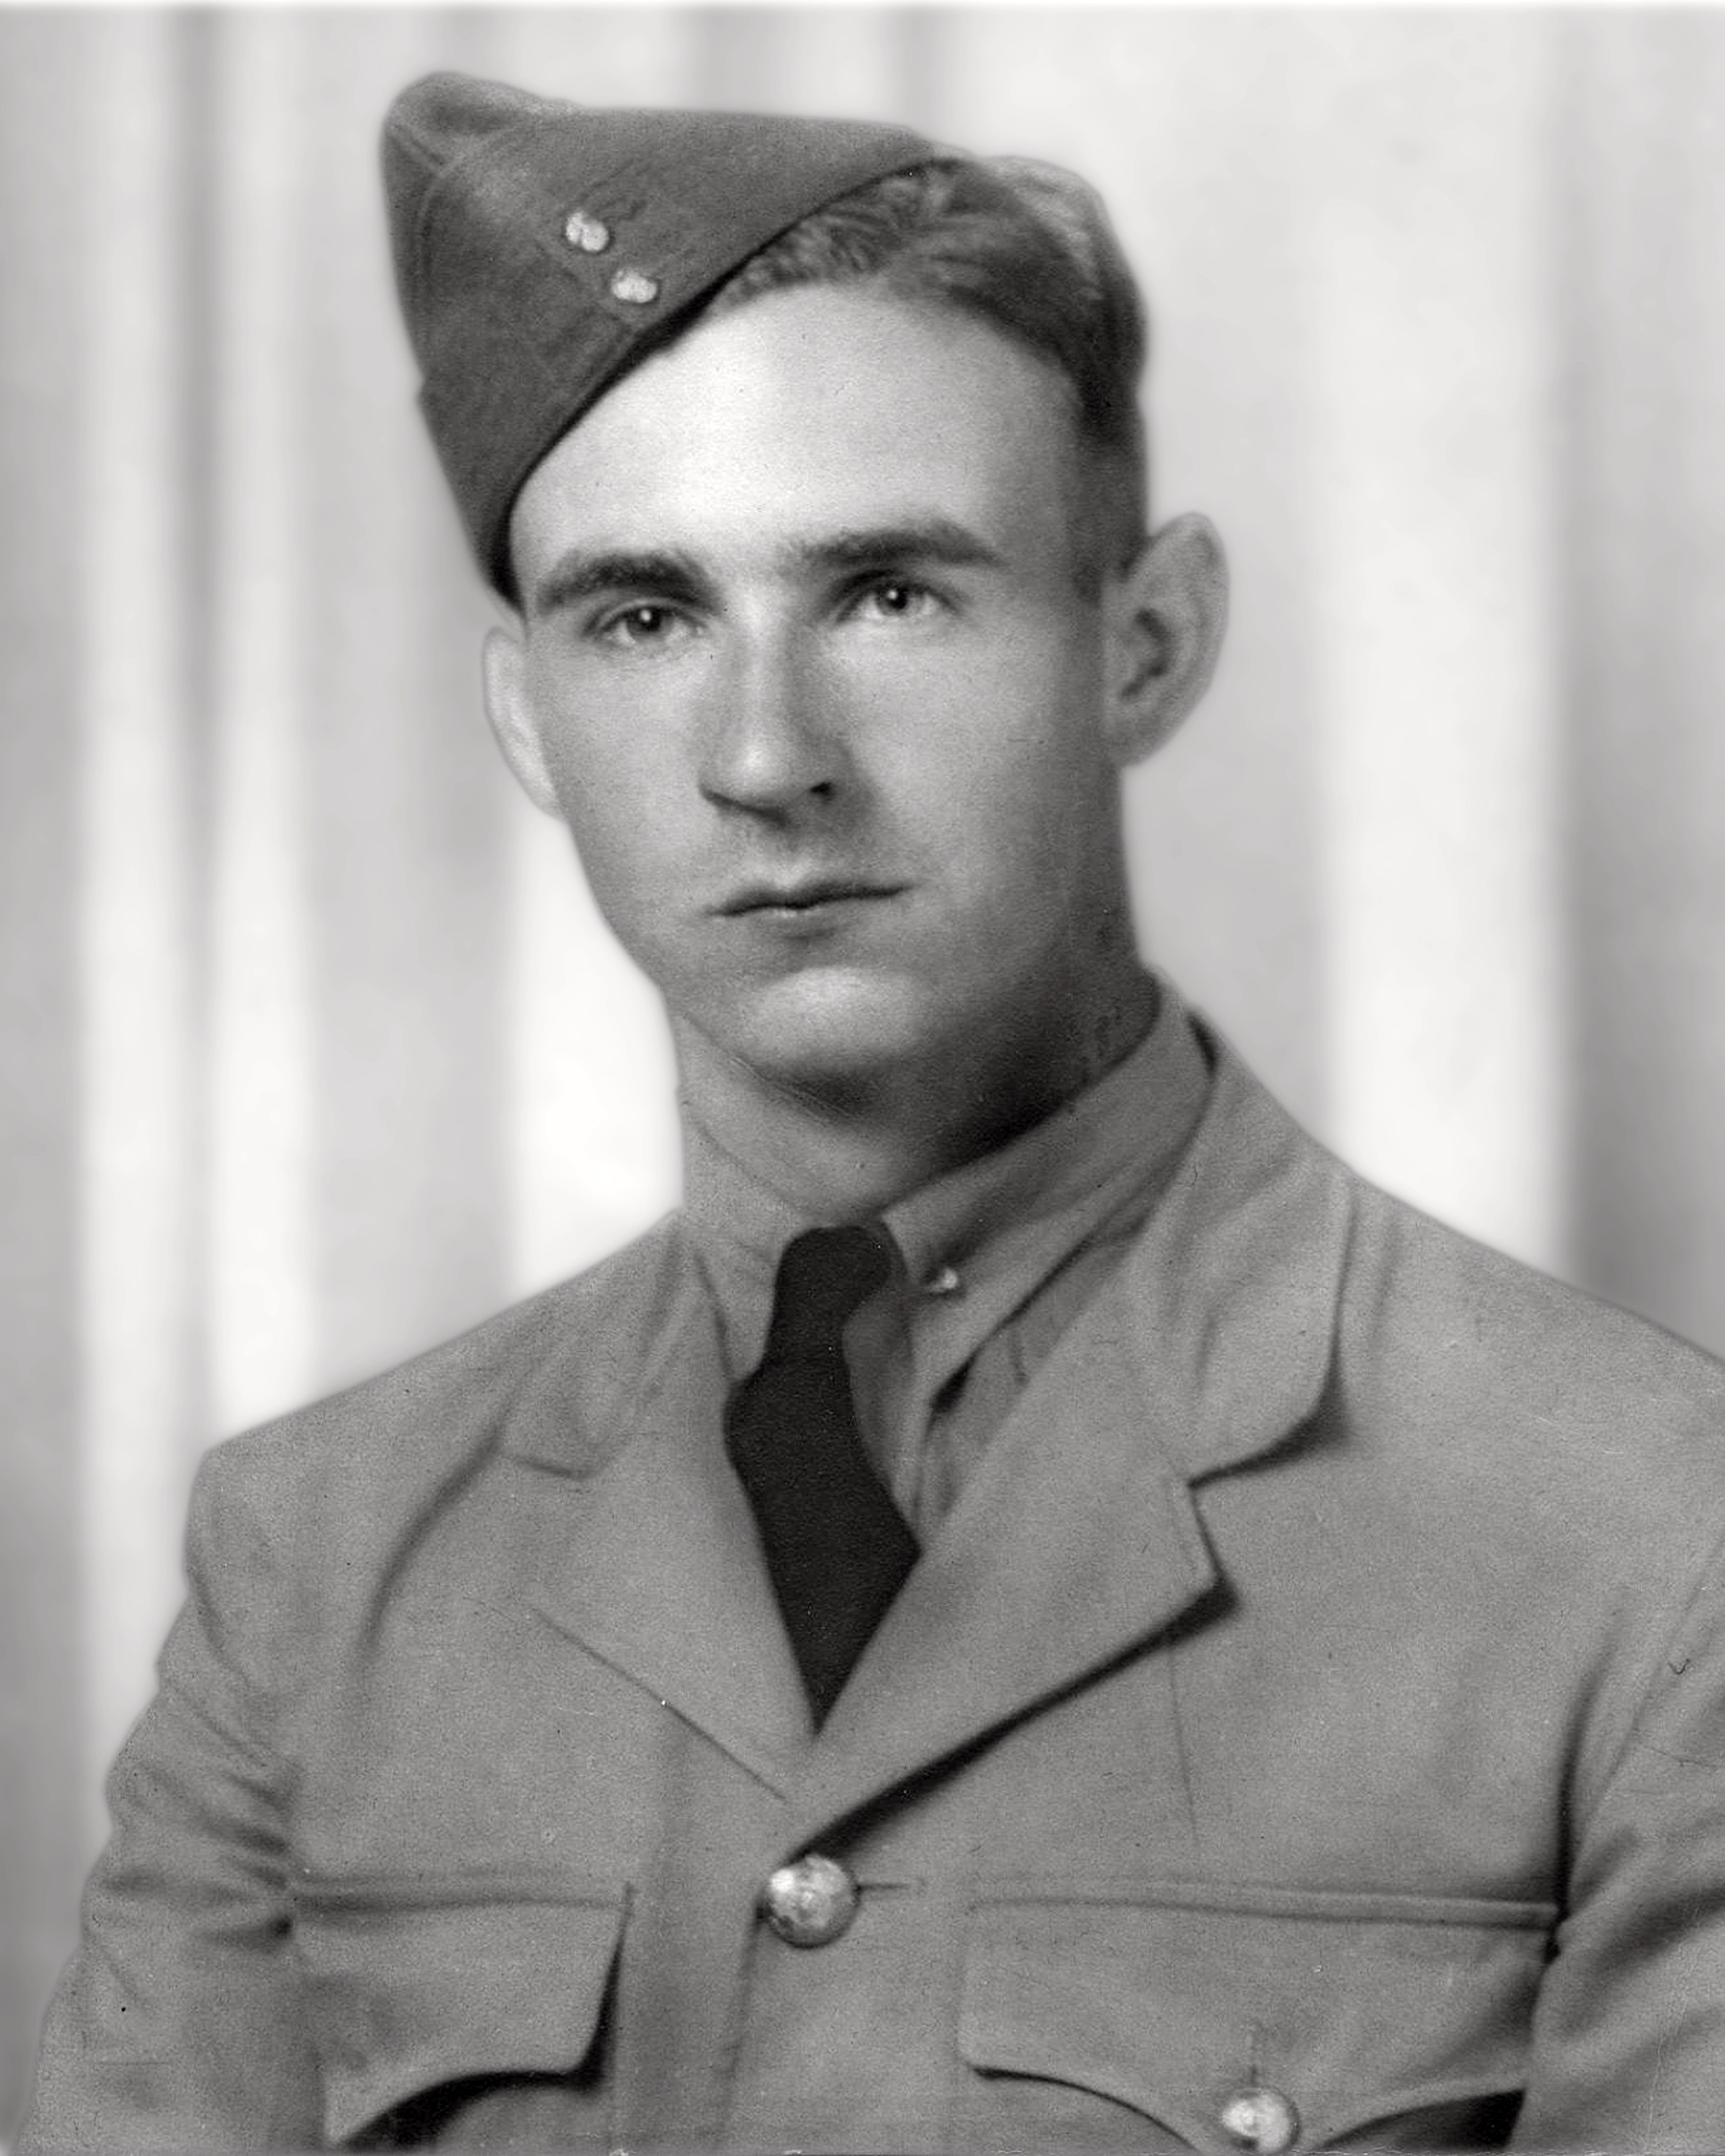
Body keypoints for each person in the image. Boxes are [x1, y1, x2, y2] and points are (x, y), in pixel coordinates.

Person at [21, 69, 1725, 2156]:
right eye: (644, 616)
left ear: (1147, 643)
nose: (764, 754)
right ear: (527, 718)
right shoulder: (322, 1562)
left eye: (888, 593)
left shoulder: (1649, 1531)